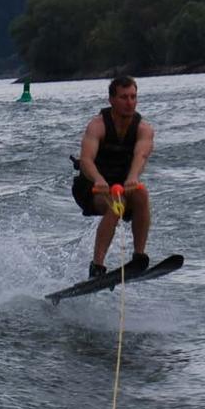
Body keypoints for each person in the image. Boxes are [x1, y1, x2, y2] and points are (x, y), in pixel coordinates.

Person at [71, 75, 154, 278]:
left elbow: (141, 155)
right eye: (124, 97)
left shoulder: (144, 129)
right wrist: (98, 179)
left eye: (133, 97)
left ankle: (139, 256)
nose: (129, 102)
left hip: (124, 184)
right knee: (116, 204)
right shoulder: (97, 126)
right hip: (91, 187)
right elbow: (86, 160)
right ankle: (97, 265)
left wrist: (133, 177)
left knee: (141, 195)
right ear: (111, 100)